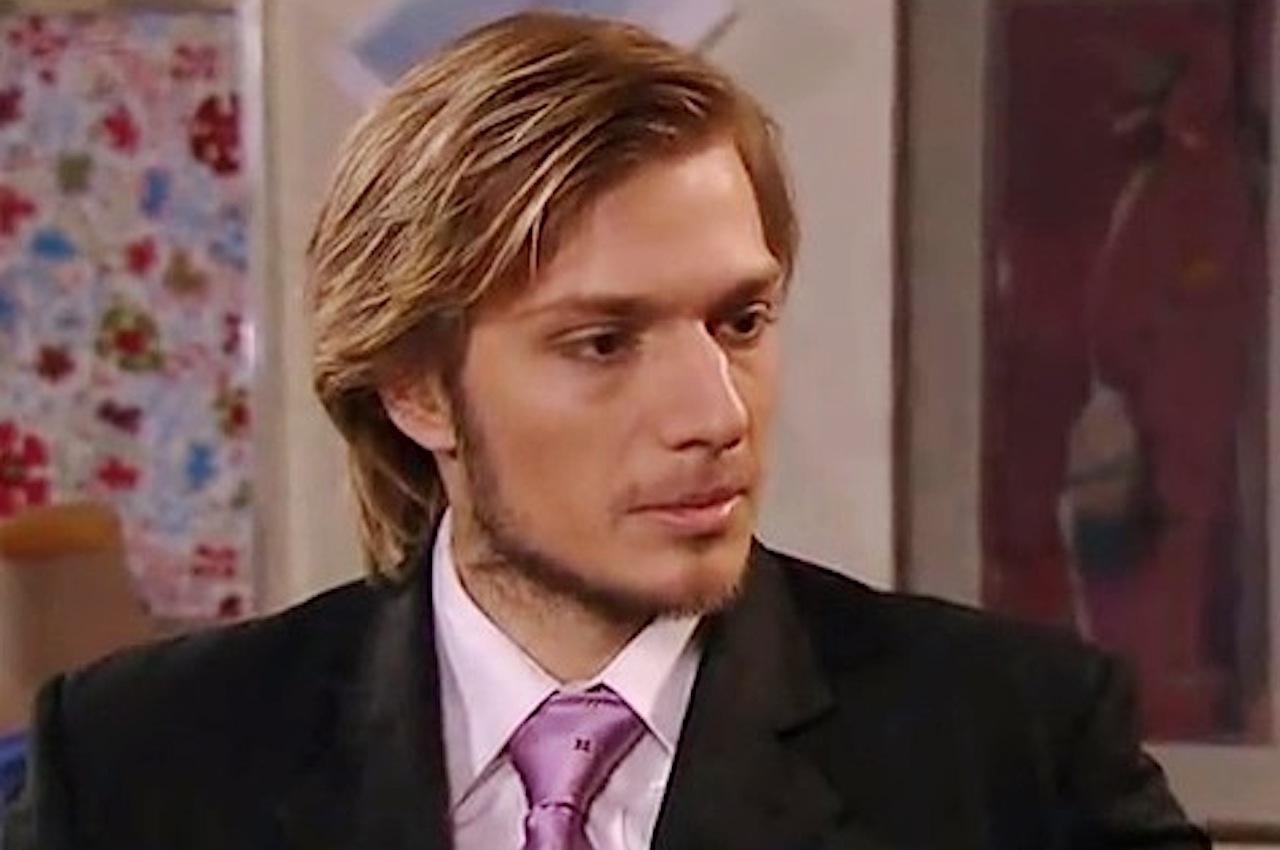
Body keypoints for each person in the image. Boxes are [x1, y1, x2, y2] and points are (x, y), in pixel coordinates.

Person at [3, 12, 1207, 850]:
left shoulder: (1015, 754)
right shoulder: (136, 762)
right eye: (601, 342)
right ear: (418, 389)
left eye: (739, 321)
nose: (715, 414)